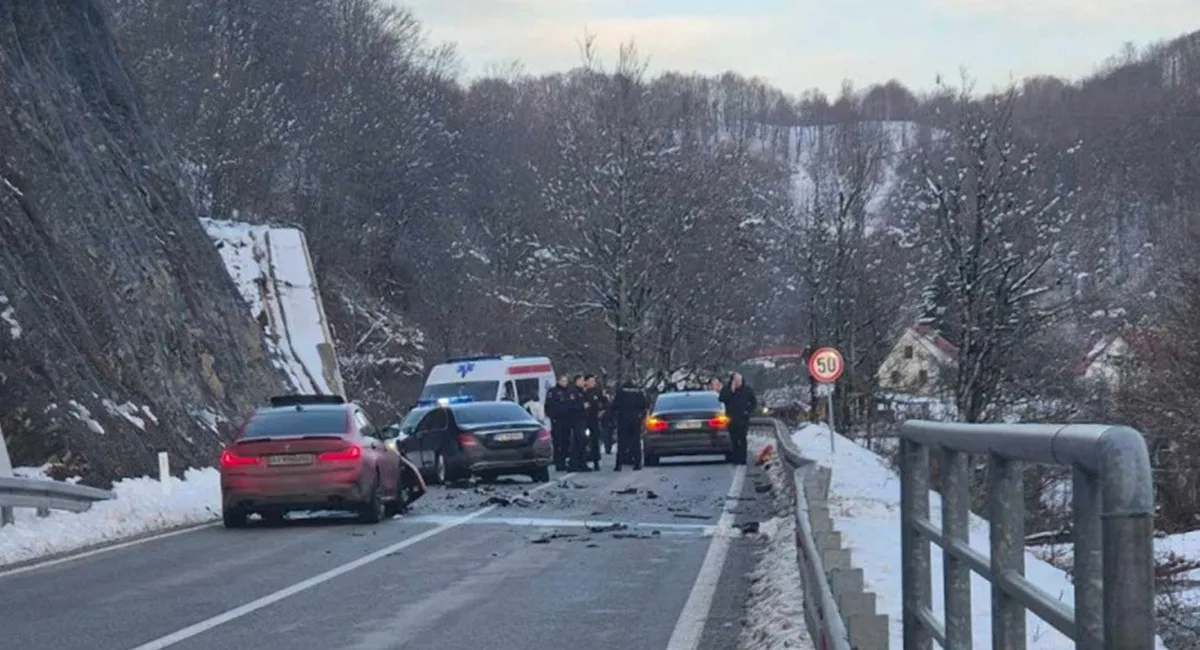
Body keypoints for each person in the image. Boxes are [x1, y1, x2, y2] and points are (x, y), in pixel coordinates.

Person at [719, 371, 758, 465]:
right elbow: (722, 399)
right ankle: (735, 458)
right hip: (731, 419)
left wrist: (747, 411)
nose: (738, 383)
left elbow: (754, 403)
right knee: (734, 439)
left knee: (743, 438)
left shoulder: (747, 390)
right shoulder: (726, 389)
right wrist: (730, 391)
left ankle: (743, 458)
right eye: (736, 381)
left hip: (743, 419)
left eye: (739, 380)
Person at [610, 379, 648, 470]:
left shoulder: (620, 392)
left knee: (622, 443)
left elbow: (615, 406)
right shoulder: (638, 392)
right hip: (635, 420)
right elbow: (645, 405)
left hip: (623, 419)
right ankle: (637, 463)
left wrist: (615, 418)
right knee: (636, 442)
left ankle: (618, 465)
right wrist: (641, 416)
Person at [545, 375, 573, 472]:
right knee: (558, 442)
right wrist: (553, 417)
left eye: (566, 381)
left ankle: (564, 460)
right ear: (559, 381)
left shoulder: (569, 392)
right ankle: (558, 463)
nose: (565, 383)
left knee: (566, 441)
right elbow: (549, 406)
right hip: (557, 421)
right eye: (563, 381)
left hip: (567, 420)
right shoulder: (553, 391)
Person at [583, 375, 606, 470]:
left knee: (595, 441)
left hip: (594, 420)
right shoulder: (582, 392)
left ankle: (596, 462)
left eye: (594, 381)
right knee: (584, 441)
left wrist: (602, 411)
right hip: (584, 420)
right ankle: (583, 461)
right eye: (591, 381)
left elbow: (605, 402)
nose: (593, 383)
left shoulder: (597, 391)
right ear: (586, 382)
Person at [568, 374, 590, 472]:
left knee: (583, 442)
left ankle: (582, 463)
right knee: (578, 442)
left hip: (583, 420)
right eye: (582, 380)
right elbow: (571, 406)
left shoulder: (582, 392)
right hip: (576, 421)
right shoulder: (573, 392)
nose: (583, 382)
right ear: (577, 381)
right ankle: (574, 464)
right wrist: (582, 406)